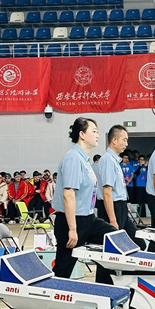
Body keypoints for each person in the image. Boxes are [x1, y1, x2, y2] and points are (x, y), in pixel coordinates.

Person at [50, 117, 116, 284]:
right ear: (82, 134)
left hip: (88, 219)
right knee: (63, 269)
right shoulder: (73, 158)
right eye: (94, 131)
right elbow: (68, 195)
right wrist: (72, 229)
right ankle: (51, 296)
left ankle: (104, 289)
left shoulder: (84, 160)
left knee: (114, 239)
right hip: (72, 221)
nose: (97, 135)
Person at [95, 124, 143, 248]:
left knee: (139, 244)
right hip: (113, 208)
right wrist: (112, 220)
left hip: (121, 207)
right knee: (115, 247)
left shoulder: (115, 160)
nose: (126, 144)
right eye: (124, 140)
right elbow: (107, 193)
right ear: (115, 140)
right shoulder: (108, 160)